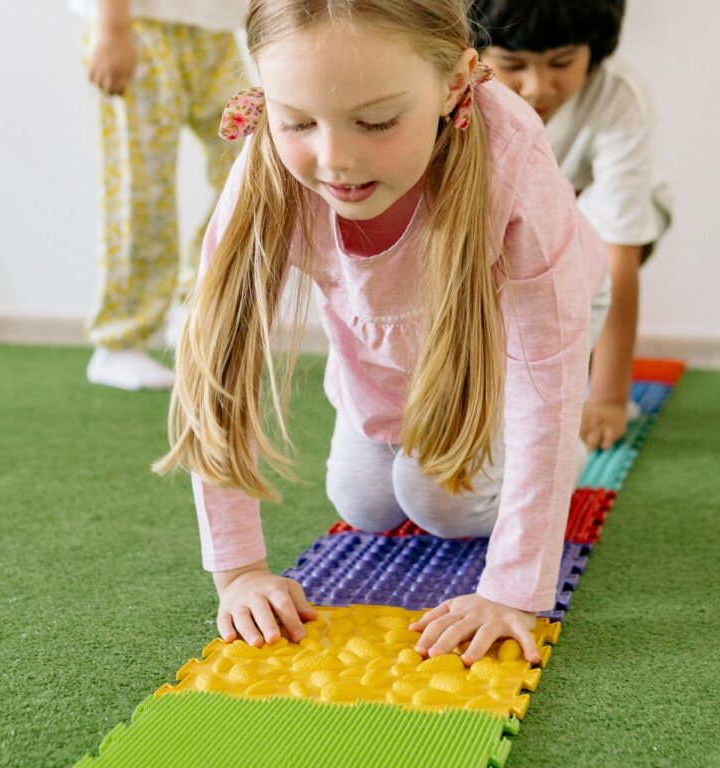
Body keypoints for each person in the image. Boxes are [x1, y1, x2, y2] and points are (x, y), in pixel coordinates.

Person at [154, 0, 607, 665]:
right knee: (364, 502)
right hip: (386, 333)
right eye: (299, 121)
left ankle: (538, 458)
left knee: (439, 501)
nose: (336, 160)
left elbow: (547, 375)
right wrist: (241, 572)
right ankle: (417, 438)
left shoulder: (510, 163)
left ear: (454, 84)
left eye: (376, 121)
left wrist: (513, 592)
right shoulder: (270, 169)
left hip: (520, 328)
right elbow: (219, 361)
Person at [471, 0, 672, 450]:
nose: (538, 86)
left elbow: (620, 253)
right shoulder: (459, 90)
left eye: (561, 63)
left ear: (594, 50)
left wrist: (608, 399)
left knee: (586, 261)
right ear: (476, 54)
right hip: (505, 212)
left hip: (589, 214)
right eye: (513, 64)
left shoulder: (619, 96)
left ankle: (579, 368)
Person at [72, 0, 247, 389]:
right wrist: (113, 28)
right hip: (138, 25)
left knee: (251, 169)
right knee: (141, 188)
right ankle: (120, 341)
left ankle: (194, 302)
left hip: (213, 26)